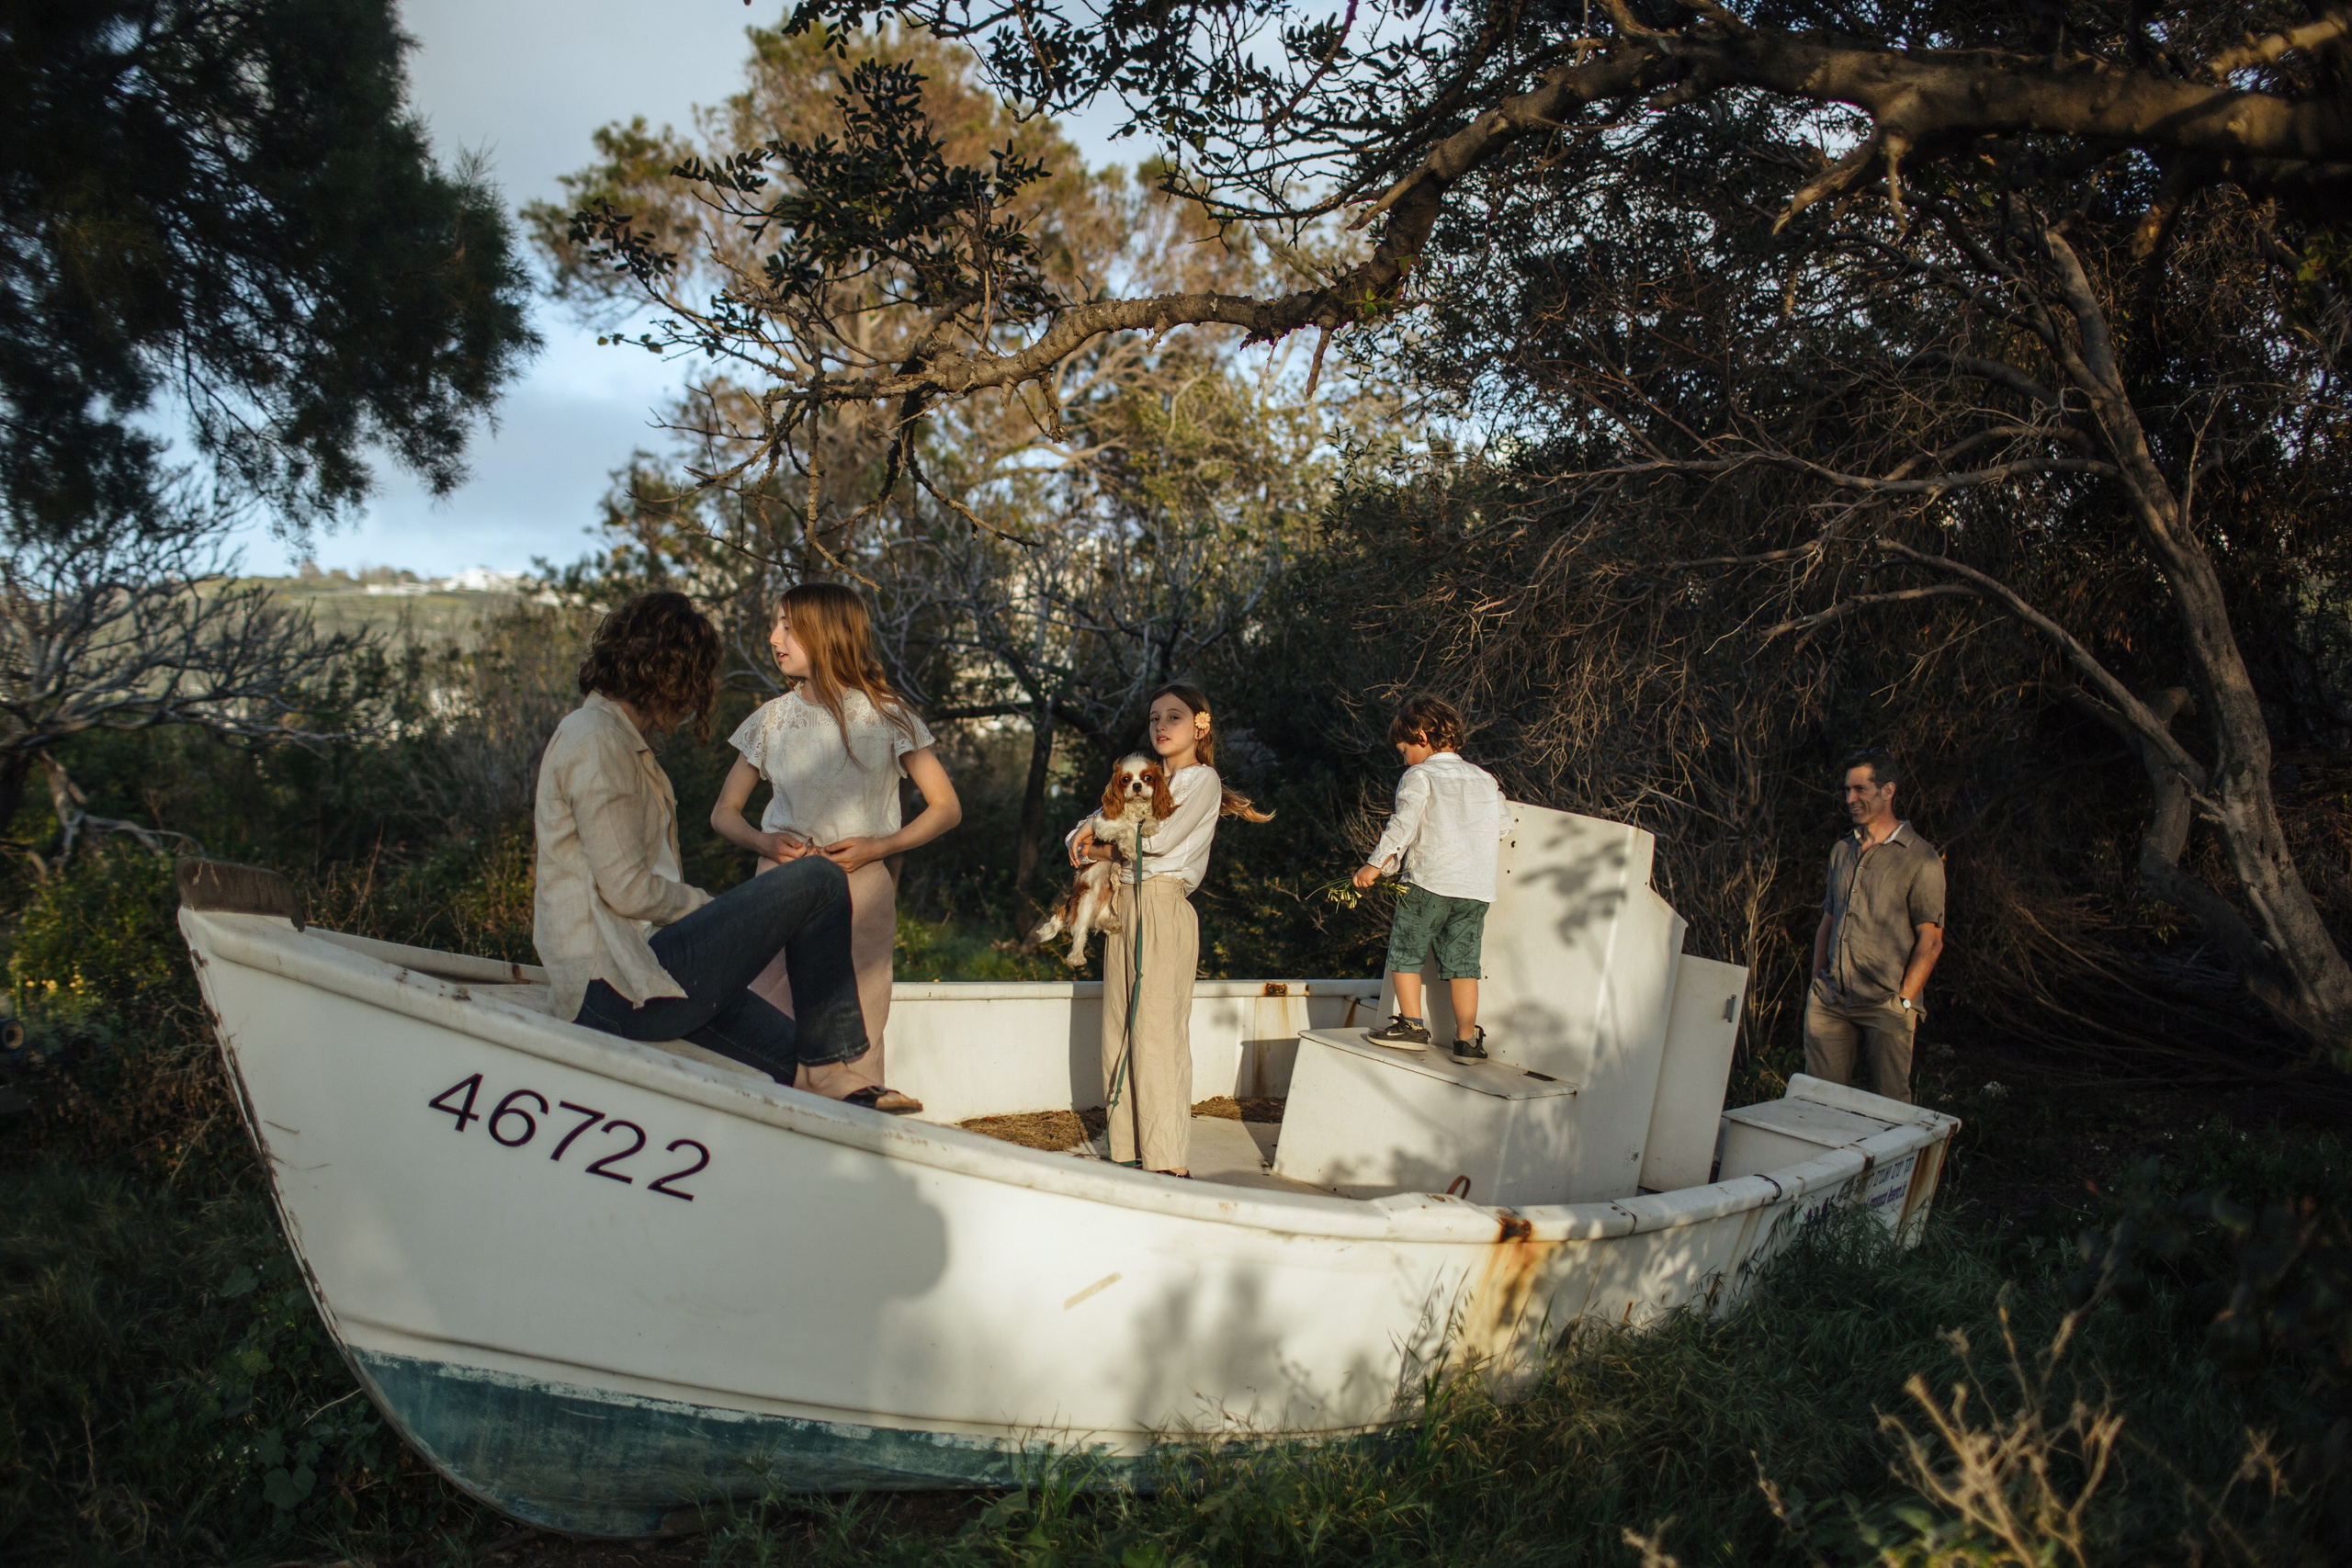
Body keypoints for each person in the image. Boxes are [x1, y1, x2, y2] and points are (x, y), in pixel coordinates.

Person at [532, 591, 918, 1112]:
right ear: (668, 672)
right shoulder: (596, 740)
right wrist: (717, 914)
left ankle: (830, 1093)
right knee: (820, 880)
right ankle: (830, 1066)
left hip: (645, 979)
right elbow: (627, 890)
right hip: (616, 987)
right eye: (696, 677)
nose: (696, 696)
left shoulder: (616, 740)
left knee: (802, 1064)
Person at [710, 583, 961, 1111]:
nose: (774, 637)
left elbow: (945, 807)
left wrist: (879, 846)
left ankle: (853, 1151)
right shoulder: (771, 718)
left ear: (826, 634)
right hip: (779, 884)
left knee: (861, 1022)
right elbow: (723, 813)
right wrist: (763, 839)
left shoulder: (889, 714)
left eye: (787, 625)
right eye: (775, 624)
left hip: (860, 889)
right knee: (768, 1010)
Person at [1067, 683, 1271, 1178]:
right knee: (1118, 1029)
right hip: (1122, 904)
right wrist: (1084, 831)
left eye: (1173, 717)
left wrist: (1093, 844)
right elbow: (1087, 827)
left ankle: (1166, 1163)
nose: (1160, 726)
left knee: (1157, 1035)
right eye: (1155, 717)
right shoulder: (1150, 779)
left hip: (1162, 904)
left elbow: (1152, 842)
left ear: (1200, 723)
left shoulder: (1202, 781)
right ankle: (1128, 1150)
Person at [1353, 694, 1511, 1063]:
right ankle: (1467, 1041)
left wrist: (1376, 865)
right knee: (1464, 965)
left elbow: (1403, 825)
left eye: (1404, 749)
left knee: (1404, 953)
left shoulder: (1419, 775)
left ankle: (1411, 1025)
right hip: (1475, 890)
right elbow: (1503, 825)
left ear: (1422, 736)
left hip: (1428, 883)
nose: (1403, 757)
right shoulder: (1485, 780)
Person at [1804, 747, 1946, 1105]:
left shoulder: (1921, 857)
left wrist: (1904, 1001)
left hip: (1887, 1004)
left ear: (1887, 791)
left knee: (1891, 1109)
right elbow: (1829, 919)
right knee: (1818, 1104)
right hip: (1831, 1000)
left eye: (1860, 790)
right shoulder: (1841, 851)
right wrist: (1818, 979)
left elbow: (1931, 940)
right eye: (1847, 791)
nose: (1850, 799)